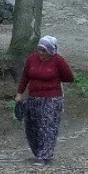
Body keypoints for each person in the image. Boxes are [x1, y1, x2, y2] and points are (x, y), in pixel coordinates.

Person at [14, 35, 75, 166]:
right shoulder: (32, 59)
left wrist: (52, 81)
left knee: (48, 127)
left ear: (51, 50)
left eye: (44, 50)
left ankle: (44, 156)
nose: (41, 53)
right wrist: (19, 93)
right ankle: (38, 152)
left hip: (52, 99)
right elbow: (25, 76)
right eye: (39, 49)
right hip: (33, 98)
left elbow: (69, 77)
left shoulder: (58, 60)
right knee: (31, 127)